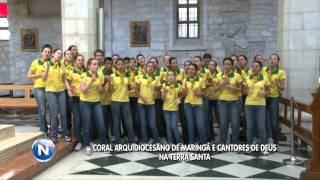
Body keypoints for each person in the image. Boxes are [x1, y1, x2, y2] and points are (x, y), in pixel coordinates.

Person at [42, 48, 71, 143]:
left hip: (61, 91)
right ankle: (53, 136)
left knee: (63, 114)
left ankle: (65, 134)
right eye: (58, 53)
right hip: (50, 92)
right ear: (53, 54)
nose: (60, 55)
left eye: (61, 54)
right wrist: (46, 69)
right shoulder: (47, 64)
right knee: (54, 114)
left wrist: (69, 89)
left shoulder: (61, 64)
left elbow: (64, 79)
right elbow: (43, 79)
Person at [79, 58, 106, 155]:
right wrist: (91, 79)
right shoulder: (83, 75)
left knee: (101, 124)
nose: (96, 66)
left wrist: (99, 85)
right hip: (85, 102)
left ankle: (103, 145)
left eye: (97, 64)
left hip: (97, 102)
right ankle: (87, 145)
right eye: (94, 64)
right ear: (89, 66)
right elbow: (83, 90)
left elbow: (101, 90)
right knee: (87, 125)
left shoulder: (100, 75)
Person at [243, 61, 270, 155]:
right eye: (253, 66)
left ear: (260, 68)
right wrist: (245, 89)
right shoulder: (247, 78)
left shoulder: (264, 78)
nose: (254, 68)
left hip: (260, 105)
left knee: (261, 127)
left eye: (257, 66)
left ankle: (264, 147)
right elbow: (244, 92)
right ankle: (249, 146)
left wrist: (264, 94)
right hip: (249, 104)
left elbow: (268, 90)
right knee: (250, 127)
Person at [108, 58, 136, 144]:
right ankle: (118, 142)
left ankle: (132, 141)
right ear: (115, 66)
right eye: (118, 64)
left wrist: (132, 86)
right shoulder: (112, 76)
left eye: (122, 64)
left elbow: (128, 88)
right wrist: (109, 82)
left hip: (125, 101)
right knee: (116, 123)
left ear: (124, 65)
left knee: (129, 122)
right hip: (115, 101)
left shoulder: (127, 75)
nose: (120, 66)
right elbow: (110, 90)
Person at [215, 57, 242, 144]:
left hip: (234, 102)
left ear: (232, 66)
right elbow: (214, 89)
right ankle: (222, 143)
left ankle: (234, 143)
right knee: (223, 124)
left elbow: (241, 89)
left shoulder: (237, 75)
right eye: (225, 64)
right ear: (223, 65)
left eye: (229, 64)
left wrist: (232, 87)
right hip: (222, 102)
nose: (227, 66)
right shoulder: (218, 75)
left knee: (235, 124)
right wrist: (222, 84)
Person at [27, 44, 52, 137]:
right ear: (42, 53)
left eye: (49, 52)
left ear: (51, 54)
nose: (47, 53)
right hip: (39, 88)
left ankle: (53, 129)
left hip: (50, 88)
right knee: (42, 110)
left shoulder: (52, 63)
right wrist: (41, 74)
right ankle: (43, 129)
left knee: (52, 110)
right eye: (45, 51)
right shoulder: (36, 62)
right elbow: (29, 76)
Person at [263, 53, 286, 145]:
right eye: (271, 58)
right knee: (263, 120)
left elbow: (282, 88)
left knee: (273, 121)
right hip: (264, 97)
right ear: (268, 60)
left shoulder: (280, 72)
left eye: (275, 59)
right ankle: (267, 139)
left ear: (277, 61)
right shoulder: (263, 70)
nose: (272, 60)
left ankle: (275, 141)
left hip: (273, 98)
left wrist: (277, 83)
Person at [135, 62, 161, 144]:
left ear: (154, 69)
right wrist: (143, 98)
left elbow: (158, 89)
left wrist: (156, 93)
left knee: (152, 124)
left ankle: (157, 141)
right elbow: (136, 91)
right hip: (141, 103)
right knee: (143, 124)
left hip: (151, 104)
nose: (150, 68)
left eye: (152, 67)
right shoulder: (140, 77)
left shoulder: (156, 78)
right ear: (146, 68)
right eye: (148, 66)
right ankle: (145, 142)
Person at [182, 63, 207, 144]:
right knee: (190, 125)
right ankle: (191, 143)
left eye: (193, 69)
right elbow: (183, 95)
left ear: (196, 71)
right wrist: (184, 91)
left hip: (198, 104)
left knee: (200, 125)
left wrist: (200, 94)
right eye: (189, 69)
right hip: (188, 105)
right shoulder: (185, 80)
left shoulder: (200, 80)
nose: (190, 71)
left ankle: (204, 143)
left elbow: (204, 92)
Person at [66, 54, 86, 151]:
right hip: (75, 98)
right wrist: (70, 89)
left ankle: (86, 140)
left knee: (85, 120)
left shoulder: (86, 71)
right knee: (77, 121)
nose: (80, 62)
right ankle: (79, 141)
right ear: (75, 61)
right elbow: (67, 81)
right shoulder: (71, 71)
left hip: (85, 98)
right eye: (79, 60)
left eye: (82, 60)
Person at [161, 71, 182, 144]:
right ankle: (171, 142)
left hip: (174, 109)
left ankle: (178, 142)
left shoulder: (178, 85)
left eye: (172, 75)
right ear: (166, 77)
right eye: (169, 75)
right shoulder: (164, 85)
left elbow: (180, 96)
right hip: (166, 109)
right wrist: (164, 92)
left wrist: (178, 101)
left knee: (174, 126)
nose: (170, 77)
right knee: (168, 127)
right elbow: (162, 99)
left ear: (175, 77)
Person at [99, 57, 114, 143]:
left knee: (113, 120)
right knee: (104, 121)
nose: (109, 65)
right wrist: (105, 81)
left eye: (110, 64)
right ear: (104, 64)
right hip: (103, 100)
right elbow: (99, 88)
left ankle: (113, 136)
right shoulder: (100, 73)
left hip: (113, 100)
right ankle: (105, 138)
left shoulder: (114, 73)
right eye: (107, 63)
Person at [207, 60, 220, 141]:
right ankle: (211, 137)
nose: (210, 66)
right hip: (208, 98)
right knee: (209, 119)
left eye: (212, 65)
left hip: (217, 98)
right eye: (209, 65)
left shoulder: (219, 75)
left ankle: (223, 135)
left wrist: (209, 83)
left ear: (215, 67)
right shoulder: (206, 74)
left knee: (220, 118)